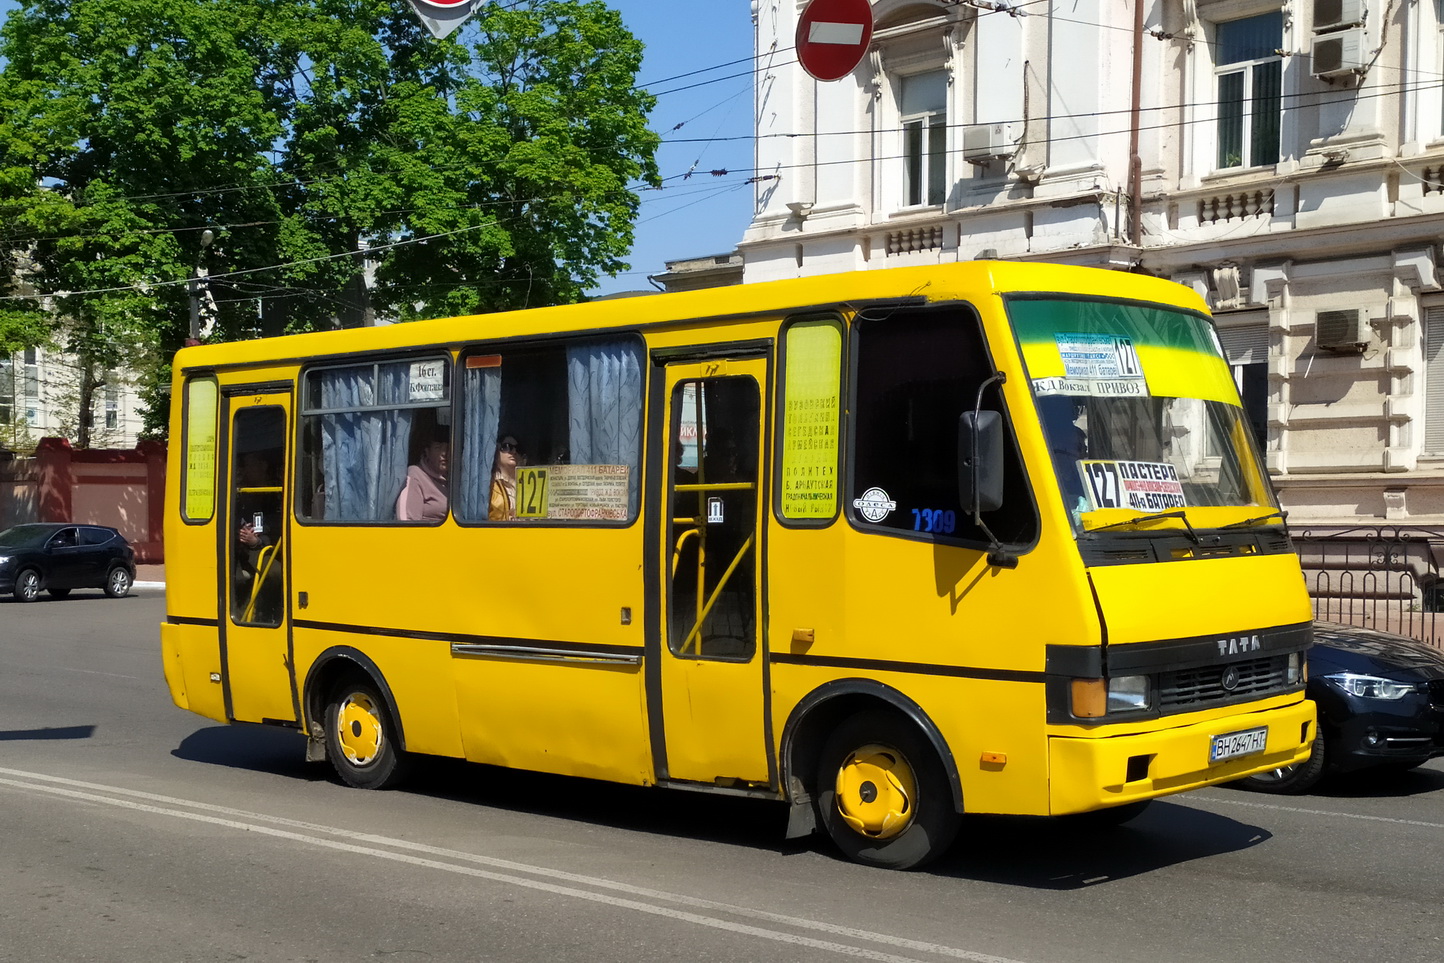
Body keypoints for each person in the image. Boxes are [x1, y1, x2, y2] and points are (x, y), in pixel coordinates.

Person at [234, 450, 283, 623]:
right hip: (241, 549)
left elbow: (277, 523)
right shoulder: (239, 489)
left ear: (263, 466)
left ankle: (269, 614)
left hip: (265, 545)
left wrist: (257, 540)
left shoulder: (275, 490)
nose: (246, 470)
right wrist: (240, 531)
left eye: (250, 465)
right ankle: (254, 618)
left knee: (278, 573)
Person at [397, 427, 450, 522]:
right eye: (438, 448)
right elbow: (407, 521)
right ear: (427, 452)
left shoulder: (457, 479)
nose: (444, 453)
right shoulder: (416, 475)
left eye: (448, 448)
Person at [489, 434, 522, 520]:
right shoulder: (490, 484)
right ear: (496, 452)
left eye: (517, 448)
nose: (513, 451)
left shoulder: (526, 484)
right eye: (507, 447)